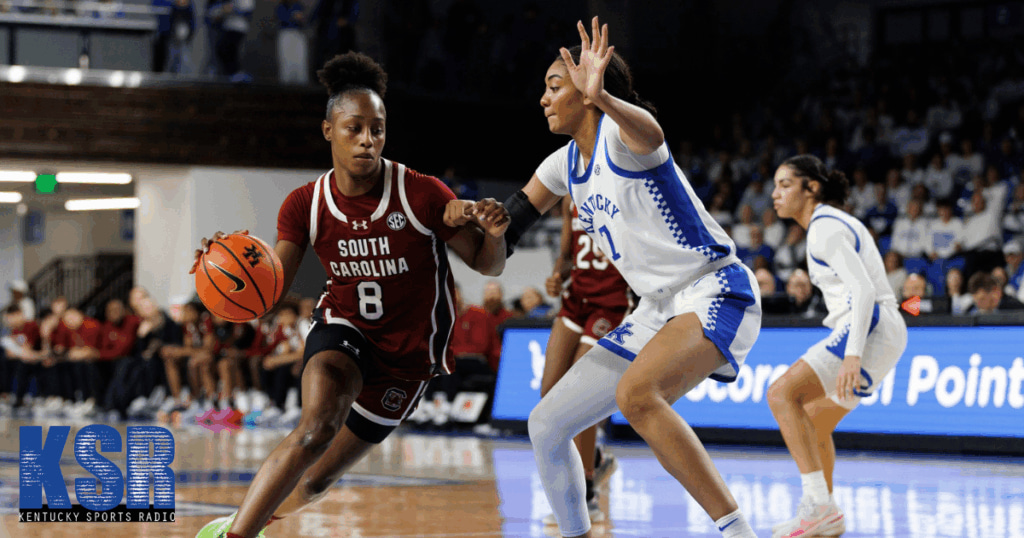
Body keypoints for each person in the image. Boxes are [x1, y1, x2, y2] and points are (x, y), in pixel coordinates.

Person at [459, 18, 761, 538]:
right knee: (546, 425)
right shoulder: (562, 164)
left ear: (588, 92)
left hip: (714, 288)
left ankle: (737, 532)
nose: (543, 99)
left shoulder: (625, 140)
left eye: (555, 87)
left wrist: (605, 98)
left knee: (637, 396)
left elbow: (653, 132)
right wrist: (482, 226)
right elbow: (501, 245)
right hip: (654, 307)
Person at [194, 51, 509, 538]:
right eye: (354, 128)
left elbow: (489, 264)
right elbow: (272, 285)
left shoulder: (421, 193)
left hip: (409, 358)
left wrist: (493, 232)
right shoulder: (305, 204)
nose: (367, 140)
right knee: (315, 428)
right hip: (344, 328)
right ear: (328, 131)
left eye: (377, 129)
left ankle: (241, 521)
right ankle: (238, 536)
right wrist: (232, 270)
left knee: (318, 480)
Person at [766, 154, 907, 538]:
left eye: (784, 185)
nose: (774, 194)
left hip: (870, 324)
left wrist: (852, 355)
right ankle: (825, 514)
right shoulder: (829, 224)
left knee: (781, 395)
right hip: (883, 329)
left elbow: (863, 292)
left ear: (811, 188)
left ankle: (818, 506)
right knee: (813, 421)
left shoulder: (824, 227)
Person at [539, 195, 632, 524]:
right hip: (575, 299)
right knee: (549, 392)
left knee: (582, 394)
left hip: (610, 304)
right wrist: (556, 276)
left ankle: (588, 487)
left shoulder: (625, 193)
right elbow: (566, 256)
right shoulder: (570, 198)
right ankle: (597, 457)